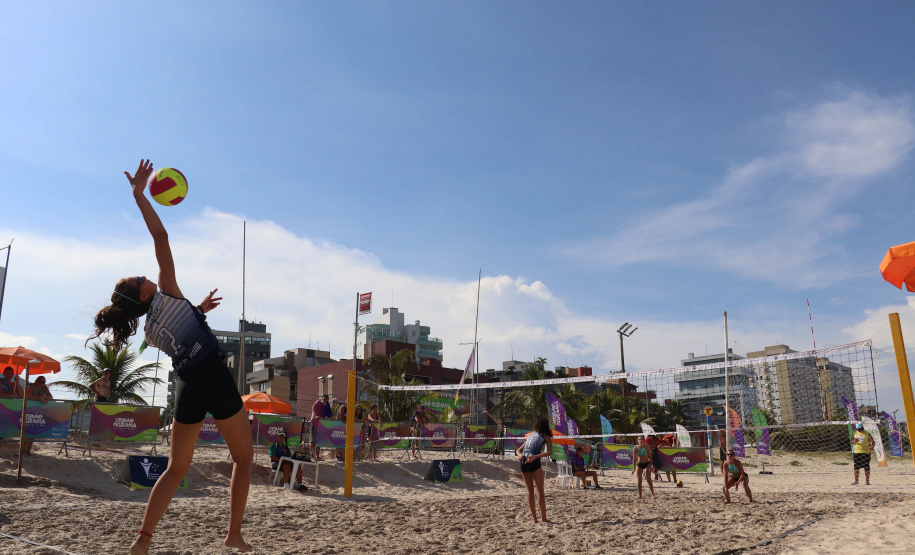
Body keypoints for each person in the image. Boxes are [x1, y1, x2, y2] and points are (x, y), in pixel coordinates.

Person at [88, 160, 253, 554]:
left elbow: (181, 331)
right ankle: (233, 535)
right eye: (139, 279)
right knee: (244, 459)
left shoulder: (147, 329)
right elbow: (160, 234)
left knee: (177, 468)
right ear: (145, 294)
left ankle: (142, 541)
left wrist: (198, 311)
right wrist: (140, 196)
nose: (146, 276)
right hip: (212, 374)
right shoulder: (168, 290)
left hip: (185, 385)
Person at [516, 416, 553, 523]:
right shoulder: (546, 436)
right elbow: (550, 452)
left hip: (523, 461)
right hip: (533, 460)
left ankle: (534, 519)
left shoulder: (531, 435)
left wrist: (519, 455)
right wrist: (535, 457)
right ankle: (544, 518)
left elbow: (518, 450)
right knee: (540, 491)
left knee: (529, 492)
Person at [22, 376, 53, 456]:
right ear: (36, 381)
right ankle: (23, 451)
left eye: (43, 382)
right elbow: (27, 395)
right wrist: (38, 398)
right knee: (28, 431)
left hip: (38, 410)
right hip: (29, 408)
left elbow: (50, 397)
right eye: (40, 382)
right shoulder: (32, 386)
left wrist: (42, 397)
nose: (41, 384)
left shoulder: (44, 387)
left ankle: (28, 451)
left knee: (33, 432)